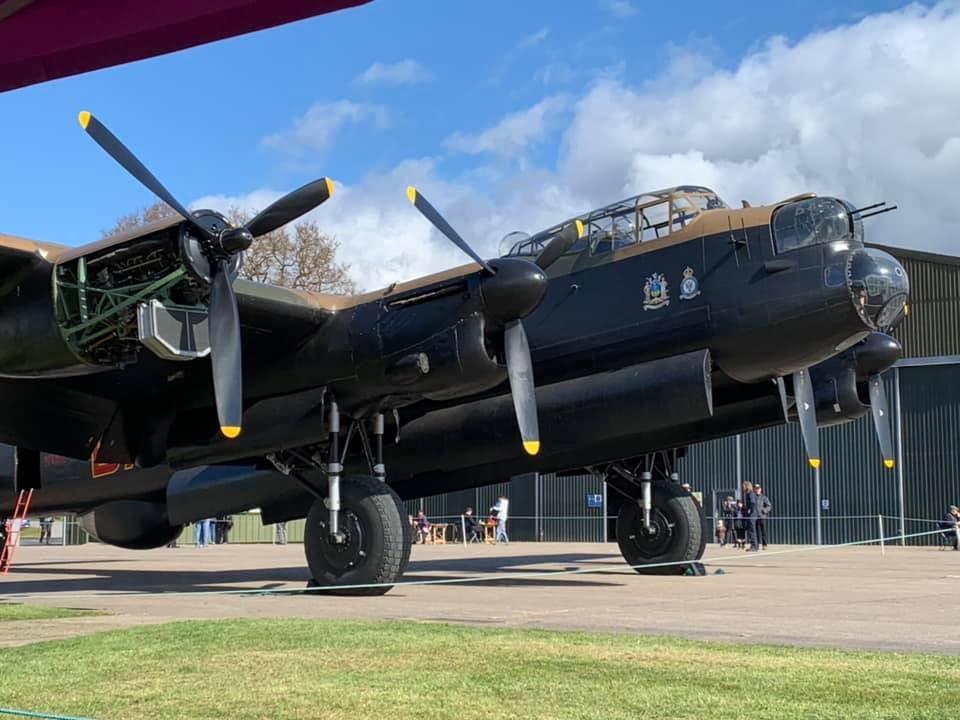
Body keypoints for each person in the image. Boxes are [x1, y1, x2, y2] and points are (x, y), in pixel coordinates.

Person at [742, 481, 759, 551]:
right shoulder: (749, 494)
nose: (743, 487)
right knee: (752, 530)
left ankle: (754, 546)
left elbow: (752, 503)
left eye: (743, 486)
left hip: (752, 515)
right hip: (752, 514)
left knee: (752, 531)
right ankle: (755, 546)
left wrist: (750, 510)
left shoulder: (751, 494)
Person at [755, 485, 773, 549]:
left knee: (763, 531)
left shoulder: (764, 497)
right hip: (755, 517)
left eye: (758, 489)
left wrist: (764, 510)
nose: (757, 490)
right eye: (756, 489)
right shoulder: (753, 497)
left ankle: (764, 545)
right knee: (756, 532)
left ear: (760, 489)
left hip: (762, 517)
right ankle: (756, 545)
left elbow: (769, 506)